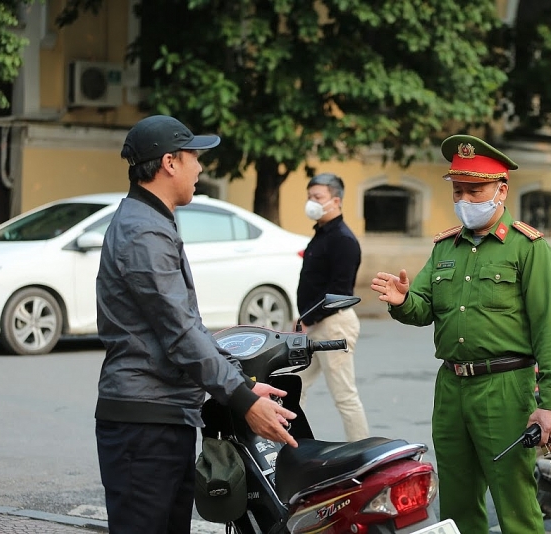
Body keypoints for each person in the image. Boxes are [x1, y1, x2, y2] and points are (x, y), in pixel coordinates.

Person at [95, 115, 298, 534]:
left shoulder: (152, 220)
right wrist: (243, 400)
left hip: (162, 416)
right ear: (169, 162)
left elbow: (186, 324)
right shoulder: (142, 231)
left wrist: (241, 378)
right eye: (194, 157)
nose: (200, 167)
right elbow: (180, 334)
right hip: (143, 423)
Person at [371, 135, 551, 533]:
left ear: (501, 190)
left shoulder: (527, 248)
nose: (465, 199)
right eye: (458, 191)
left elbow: (549, 329)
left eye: (474, 190)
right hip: (452, 387)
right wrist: (402, 300)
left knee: (514, 503)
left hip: (505, 388)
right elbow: (422, 308)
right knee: (457, 501)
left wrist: (550, 404)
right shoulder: (446, 247)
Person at [296, 172, 369, 442]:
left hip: (333, 325)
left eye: (317, 197)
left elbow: (340, 292)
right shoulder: (322, 235)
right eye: (309, 196)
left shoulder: (343, 240)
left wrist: (309, 318)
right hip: (314, 324)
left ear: (335, 201)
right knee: (294, 387)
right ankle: (288, 449)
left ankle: (363, 455)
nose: (311, 202)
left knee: (344, 397)